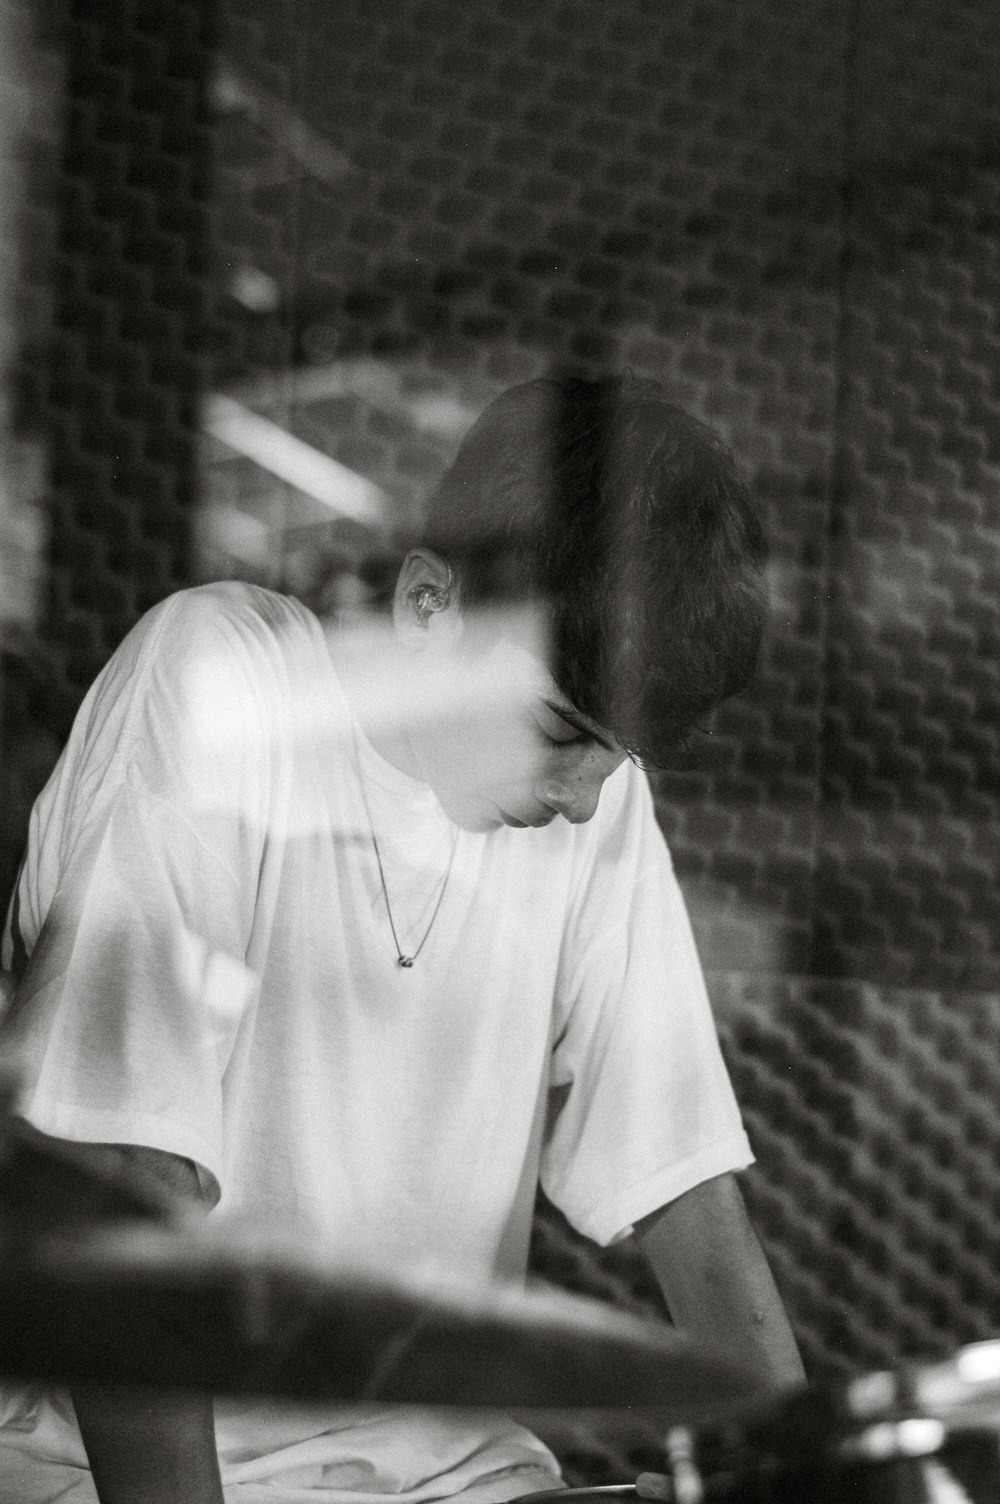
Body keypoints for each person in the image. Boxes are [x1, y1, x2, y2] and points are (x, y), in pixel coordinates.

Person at [0, 373, 804, 1504]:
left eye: (613, 761)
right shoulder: (221, 684)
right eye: (562, 733)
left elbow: (690, 1197)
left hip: (462, 1482)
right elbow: (127, 1180)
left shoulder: (596, 810)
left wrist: (819, 1473)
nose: (582, 800)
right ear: (431, 607)